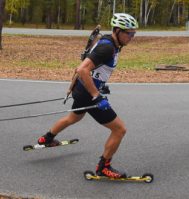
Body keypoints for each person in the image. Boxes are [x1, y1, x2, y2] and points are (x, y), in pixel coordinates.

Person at [35, 13, 138, 178]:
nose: (132, 37)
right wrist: (96, 95)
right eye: (130, 33)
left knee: (73, 118)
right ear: (118, 31)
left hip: (82, 89)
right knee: (119, 130)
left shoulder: (108, 41)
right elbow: (82, 69)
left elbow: (92, 66)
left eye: (134, 33)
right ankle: (104, 167)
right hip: (88, 94)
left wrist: (100, 84)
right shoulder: (107, 47)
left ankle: (47, 138)